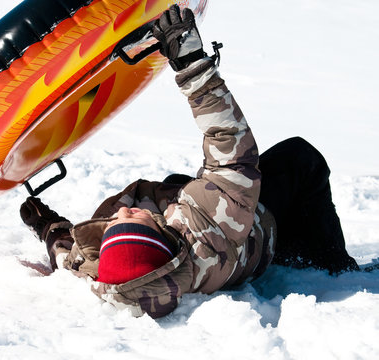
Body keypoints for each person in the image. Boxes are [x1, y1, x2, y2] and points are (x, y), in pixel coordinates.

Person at [19, 5, 359, 318]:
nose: (123, 212)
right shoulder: (210, 234)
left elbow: (69, 257)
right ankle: (328, 262)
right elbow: (231, 151)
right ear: (165, 242)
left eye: (113, 227)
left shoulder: (106, 273)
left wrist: (46, 225)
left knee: (173, 184)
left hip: (205, 223)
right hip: (258, 225)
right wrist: (192, 65)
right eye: (134, 221)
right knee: (300, 157)